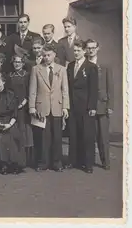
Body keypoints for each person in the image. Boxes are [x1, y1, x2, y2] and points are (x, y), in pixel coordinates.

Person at [28, 44, 69, 172]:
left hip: (57, 106)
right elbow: (33, 89)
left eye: (49, 55)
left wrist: (65, 107)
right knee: (43, 137)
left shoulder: (61, 69)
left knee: (57, 136)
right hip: (42, 107)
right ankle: (43, 162)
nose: (46, 58)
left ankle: (57, 162)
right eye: (44, 55)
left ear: (54, 55)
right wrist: (32, 107)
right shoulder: (36, 69)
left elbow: (65, 90)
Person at [66, 40, 99, 173]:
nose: (76, 53)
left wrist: (92, 107)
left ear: (84, 51)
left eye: (79, 50)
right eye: (74, 51)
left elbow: (93, 88)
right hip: (73, 105)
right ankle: (73, 161)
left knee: (87, 135)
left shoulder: (91, 67)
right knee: (73, 134)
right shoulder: (70, 66)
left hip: (85, 106)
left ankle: (88, 163)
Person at [0, 73, 23, 175]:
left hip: (11, 121)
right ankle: (4, 164)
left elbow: (15, 114)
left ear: (3, 82)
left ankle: (15, 164)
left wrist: (9, 125)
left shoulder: (11, 95)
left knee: (12, 134)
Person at [85, 39, 113, 170]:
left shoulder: (105, 65)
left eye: (93, 48)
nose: (91, 50)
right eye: (88, 48)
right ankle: (87, 161)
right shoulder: (84, 64)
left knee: (103, 136)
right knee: (89, 135)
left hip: (102, 104)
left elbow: (110, 86)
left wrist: (110, 105)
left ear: (98, 48)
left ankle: (105, 162)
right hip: (87, 105)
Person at [7, 55, 33, 167]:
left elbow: (30, 90)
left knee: (23, 131)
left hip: (23, 107)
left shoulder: (27, 75)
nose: (17, 64)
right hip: (13, 106)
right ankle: (14, 157)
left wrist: (24, 102)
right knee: (14, 130)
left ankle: (25, 159)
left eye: (19, 62)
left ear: (23, 63)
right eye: (15, 62)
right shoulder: (10, 75)